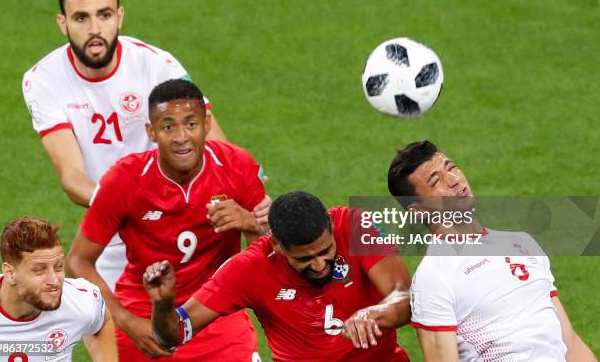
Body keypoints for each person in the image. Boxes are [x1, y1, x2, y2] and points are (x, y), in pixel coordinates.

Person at [20, 0, 269, 291]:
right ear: (62, 23)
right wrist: (137, 209)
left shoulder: (157, 65)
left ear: (120, 16)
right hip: (114, 229)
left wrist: (256, 200)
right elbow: (72, 179)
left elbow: (218, 146)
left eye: (104, 15)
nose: (95, 29)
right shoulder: (43, 80)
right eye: (81, 18)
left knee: (206, 325)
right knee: (116, 331)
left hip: (186, 217)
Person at [66, 79, 266, 360]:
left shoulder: (237, 166)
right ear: (152, 131)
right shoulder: (124, 180)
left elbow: (269, 255)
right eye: (169, 126)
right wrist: (126, 322)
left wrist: (251, 224)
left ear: (207, 124)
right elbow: (77, 261)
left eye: (191, 124)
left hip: (216, 316)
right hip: (144, 317)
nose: (181, 136)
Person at [387, 140, 596, 362]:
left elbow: (570, 344)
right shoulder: (435, 277)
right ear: (418, 209)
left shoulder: (521, 243)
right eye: (436, 180)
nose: (455, 180)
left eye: (451, 167)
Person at [144, 191, 412, 362]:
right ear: (275, 245)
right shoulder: (248, 269)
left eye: (326, 251)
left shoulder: (355, 225)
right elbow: (172, 336)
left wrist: (373, 314)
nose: (319, 265)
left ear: (330, 228)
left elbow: (405, 296)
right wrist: (163, 305)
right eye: (303, 259)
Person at [0, 217, 116, 361]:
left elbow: (102, 323)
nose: (55, 281)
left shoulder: (79, 301)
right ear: (10, 273)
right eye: (39, 270)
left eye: (58, 267)